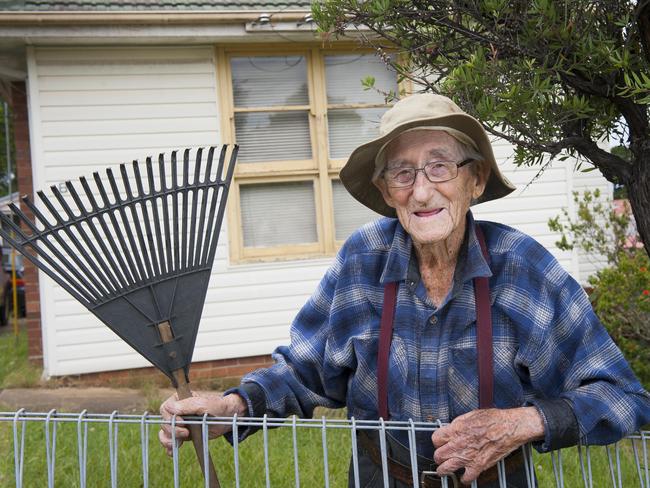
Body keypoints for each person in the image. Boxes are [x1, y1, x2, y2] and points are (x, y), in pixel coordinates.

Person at [159, 93, 650, 487]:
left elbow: (622, 396)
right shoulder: (361, 262)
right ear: (386, 190)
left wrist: (521, 423)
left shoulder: (523, 269)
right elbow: (305, 371)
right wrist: (233, 407)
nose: (421, 190)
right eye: (403, 173)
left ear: (475, 179)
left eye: (440, 167)